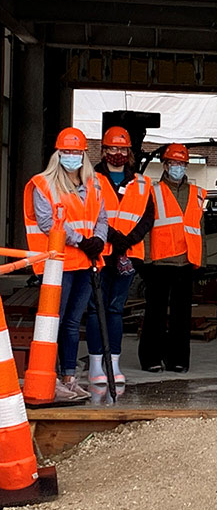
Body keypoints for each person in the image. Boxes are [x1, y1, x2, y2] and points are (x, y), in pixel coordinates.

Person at [23, 127, 108, 400]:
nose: (72, 156)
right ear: (58, 154)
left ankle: (69, 377)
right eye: (67, 151)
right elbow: (47, 223)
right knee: (53, 323)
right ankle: (51, 376)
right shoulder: (43, 184)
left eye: (77, 152)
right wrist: (82, 241)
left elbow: (102, 219)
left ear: (84, 154)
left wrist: (97, 240)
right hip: (58, 263)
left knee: (72, 323)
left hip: (84, 262)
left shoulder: (93, 184)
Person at [87, 126, 154, 385]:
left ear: (129, 152)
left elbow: (148, 217)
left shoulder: (141, 182)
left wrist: (127, 242)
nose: (117, 153)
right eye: (112, 148)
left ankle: (113, 364)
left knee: (115, 310)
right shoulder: (90, 179)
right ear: (104, 151)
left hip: (129, 255)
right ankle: (95, 366)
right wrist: (114, 238)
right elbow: (89, 212)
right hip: (100, 254)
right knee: (96, 310)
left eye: (122, 149)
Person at [138, 143, 206, 373]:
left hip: (185, 262)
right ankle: (151, 358)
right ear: (165, 165)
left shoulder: (196, 193)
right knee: (155, 313)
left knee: (181, 315)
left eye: (181, 163)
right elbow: (145, 228)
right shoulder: (153, 191)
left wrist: (201, 261)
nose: (178, 168)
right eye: (173, 163)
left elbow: (199, 228)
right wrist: (145, 260)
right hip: (159, 262)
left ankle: (178, 359)